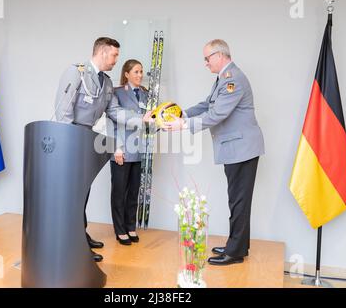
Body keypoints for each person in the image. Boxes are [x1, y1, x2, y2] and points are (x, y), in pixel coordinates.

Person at [165, 39, 265, 266]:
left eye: (207, 58)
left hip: (242, 149)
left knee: (239, 201)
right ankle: (237, 245)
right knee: (236, 200)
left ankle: (236, 251)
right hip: (237, 148)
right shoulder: (223, 79)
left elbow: (217, 114)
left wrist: (183, 126)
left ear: (220, 55)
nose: (205, 63)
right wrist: (181, 115)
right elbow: (206, 105)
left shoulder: (233, 80)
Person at [54, 38, 153, 262]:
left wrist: (142, 118)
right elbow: (63, 111)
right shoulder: (76, 73)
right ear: (102, 52)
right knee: (73, 194)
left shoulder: (106, 83)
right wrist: (69, 143)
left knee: (83, 192)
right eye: (114, 56)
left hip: (89, 139)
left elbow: (115, 112)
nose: (116, 60)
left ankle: (80, 233)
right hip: (73, 139)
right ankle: (73, 243)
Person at [110, 59, 148, 245]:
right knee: (119, 192)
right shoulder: (117, 93)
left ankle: (130, 226)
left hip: (138, 150)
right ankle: (120, 230)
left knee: (133, 191)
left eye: (141, 72)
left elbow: (149, 121)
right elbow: (113, 121)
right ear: (126, 74)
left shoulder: (145, 94)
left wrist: (164, 123)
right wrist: (116, 148)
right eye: (136, 72)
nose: (140, 75)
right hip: (122, 150)